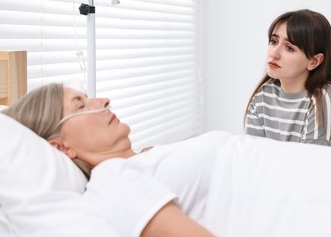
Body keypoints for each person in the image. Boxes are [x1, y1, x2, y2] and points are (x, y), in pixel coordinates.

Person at [1, 83, 233, 237]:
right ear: (62, 147)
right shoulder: (112, 178)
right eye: (80, 104)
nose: (103, 100)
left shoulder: (143, 163)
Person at [244, 9, 331, 156]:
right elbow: (254, 160)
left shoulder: (326, 97)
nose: (274, 53)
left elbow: (311, 167)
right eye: (273, 41)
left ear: (314, 61)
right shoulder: (263, 96)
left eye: (289, 48)